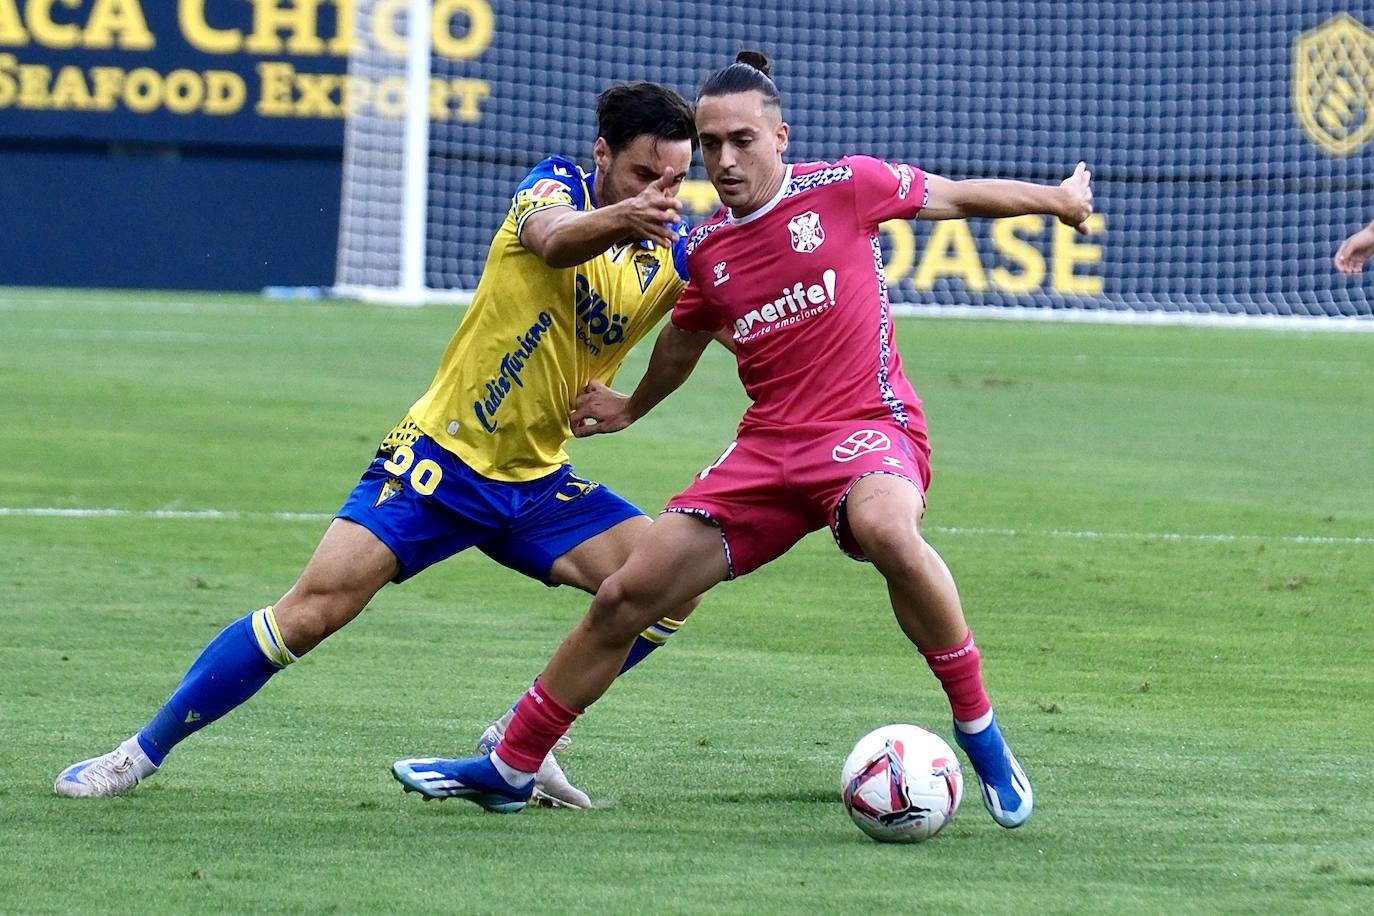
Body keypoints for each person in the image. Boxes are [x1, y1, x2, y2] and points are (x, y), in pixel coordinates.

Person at [391, 51, 1093, 830]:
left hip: (868, 427)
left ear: (780, 137)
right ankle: (512, 764)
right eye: (711, 142)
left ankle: (980, 735)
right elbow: (684, 344)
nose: (724, 159)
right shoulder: (703, 250)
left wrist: (1058, 199)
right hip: (767, 452)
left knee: (887, 528)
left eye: (741, 141)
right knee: (629, 595)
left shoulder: (847, 188)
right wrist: (631, 408)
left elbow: (957, 196)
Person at [54, 81, 704, 809]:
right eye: (644, 176)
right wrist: (625, 216)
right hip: (439, 462)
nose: (662, 193)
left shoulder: (675, 252)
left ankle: (520, 741)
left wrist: (634, 405)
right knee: (310, 613)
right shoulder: (552, 188)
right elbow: (553, 243)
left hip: (538, 483)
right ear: (602, 155)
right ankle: (134, 755)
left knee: (669, 587)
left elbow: (696, 329)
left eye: (676, 180)